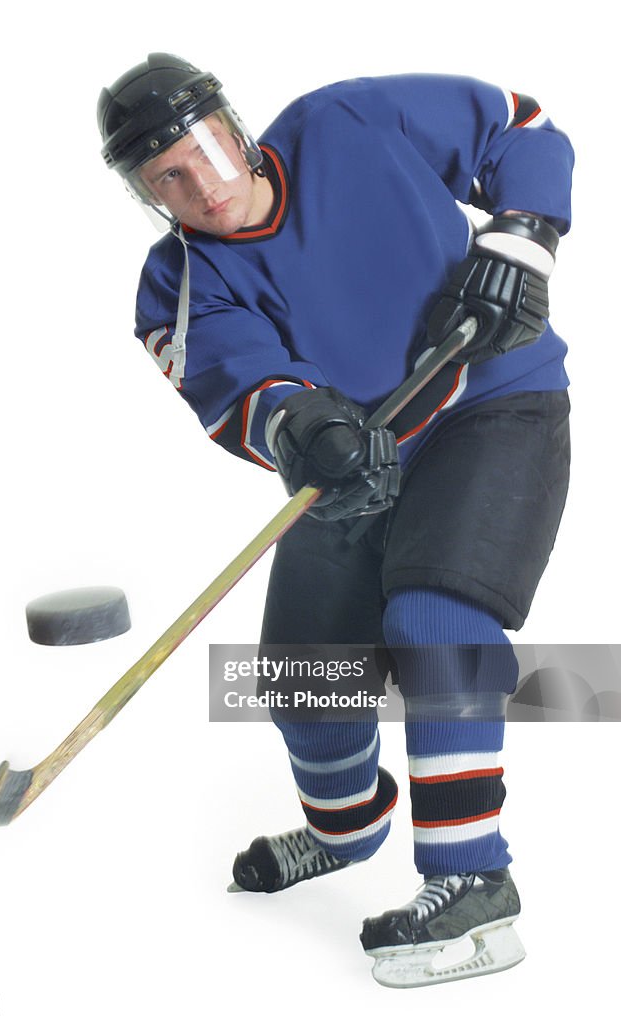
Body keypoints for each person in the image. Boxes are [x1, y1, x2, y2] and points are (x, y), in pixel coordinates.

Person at [97, 54, 573, 987]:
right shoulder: (176, 284)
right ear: (146, 195)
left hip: (494, 403)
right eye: (167, 179)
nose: (200, 187)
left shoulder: (348, 123)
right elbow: (238, 386)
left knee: (437, 617)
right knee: (303, 676)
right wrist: (297, 421)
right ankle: (345, 831)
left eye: (203, 154)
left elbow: (522, 127)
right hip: (356, 459)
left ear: (235, 131)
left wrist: (521, 235)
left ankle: (476, 886)